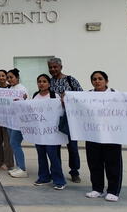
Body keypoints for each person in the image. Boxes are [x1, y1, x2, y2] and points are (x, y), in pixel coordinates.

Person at [85, 71, 122, 202]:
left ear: (106, 81)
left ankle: (113, 190)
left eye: (100, 79)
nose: (97, 81)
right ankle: (97, 189)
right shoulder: (87, 95)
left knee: (113, 163)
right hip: (93, 135)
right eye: (94, 79)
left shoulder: (116, 95)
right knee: (94, 163)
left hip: (112, 135)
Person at [48, 57, 82, 183]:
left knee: (72, 147)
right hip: (53, 120)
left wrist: (68, 97)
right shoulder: (49, 82)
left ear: (61, 67)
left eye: (55, 67)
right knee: (54, 147)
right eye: (50, 67)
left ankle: (74, 172)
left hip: (69, 119)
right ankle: (56, 171)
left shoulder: (70, 80)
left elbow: (81, 96)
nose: (53, 69)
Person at [31, 74, 66, 190]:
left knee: (53, 155)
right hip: (39, 132)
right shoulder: (35, 96)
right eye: (39, 81)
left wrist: (62, 103)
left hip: (52, 133)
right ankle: (44, 177)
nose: (41, 83)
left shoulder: (54, 95)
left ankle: (59, 180)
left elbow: (59, 112)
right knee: (41, 155)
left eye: (44, 81)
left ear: (49, 84)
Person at [7, 68, 29, 178]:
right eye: (8, 78)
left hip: (18, 122)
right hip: (10, 121)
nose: (9, 79)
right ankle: (18, 166)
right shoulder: (10, 88)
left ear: (17, 77)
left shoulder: (21, 89)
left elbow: (23, 102)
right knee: (13, 144)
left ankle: (22, 168)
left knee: (15, 143)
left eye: (11, 77)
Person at [0, 69, 14, 170]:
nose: (1, 77)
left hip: (8, 117)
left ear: (6, 77)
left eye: (3, 75)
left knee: (7, 141)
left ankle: (8, 163)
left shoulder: (11, 88)